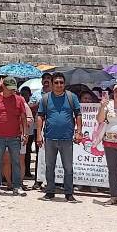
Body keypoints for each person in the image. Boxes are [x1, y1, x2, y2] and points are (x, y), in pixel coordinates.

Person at [36, 72, 82, 202]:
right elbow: (40, 116)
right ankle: (50, 191)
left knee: (68, 167)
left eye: (61, 82)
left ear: (64, 84)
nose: (59, 85)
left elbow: (78, 114)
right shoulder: (45, 98)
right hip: (50, 137)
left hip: (67, 138)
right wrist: (38, 134)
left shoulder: (71, 97)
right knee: (49, 166)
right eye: (56, 82)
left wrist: (79, 131)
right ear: (51, 83)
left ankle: (69, 193)